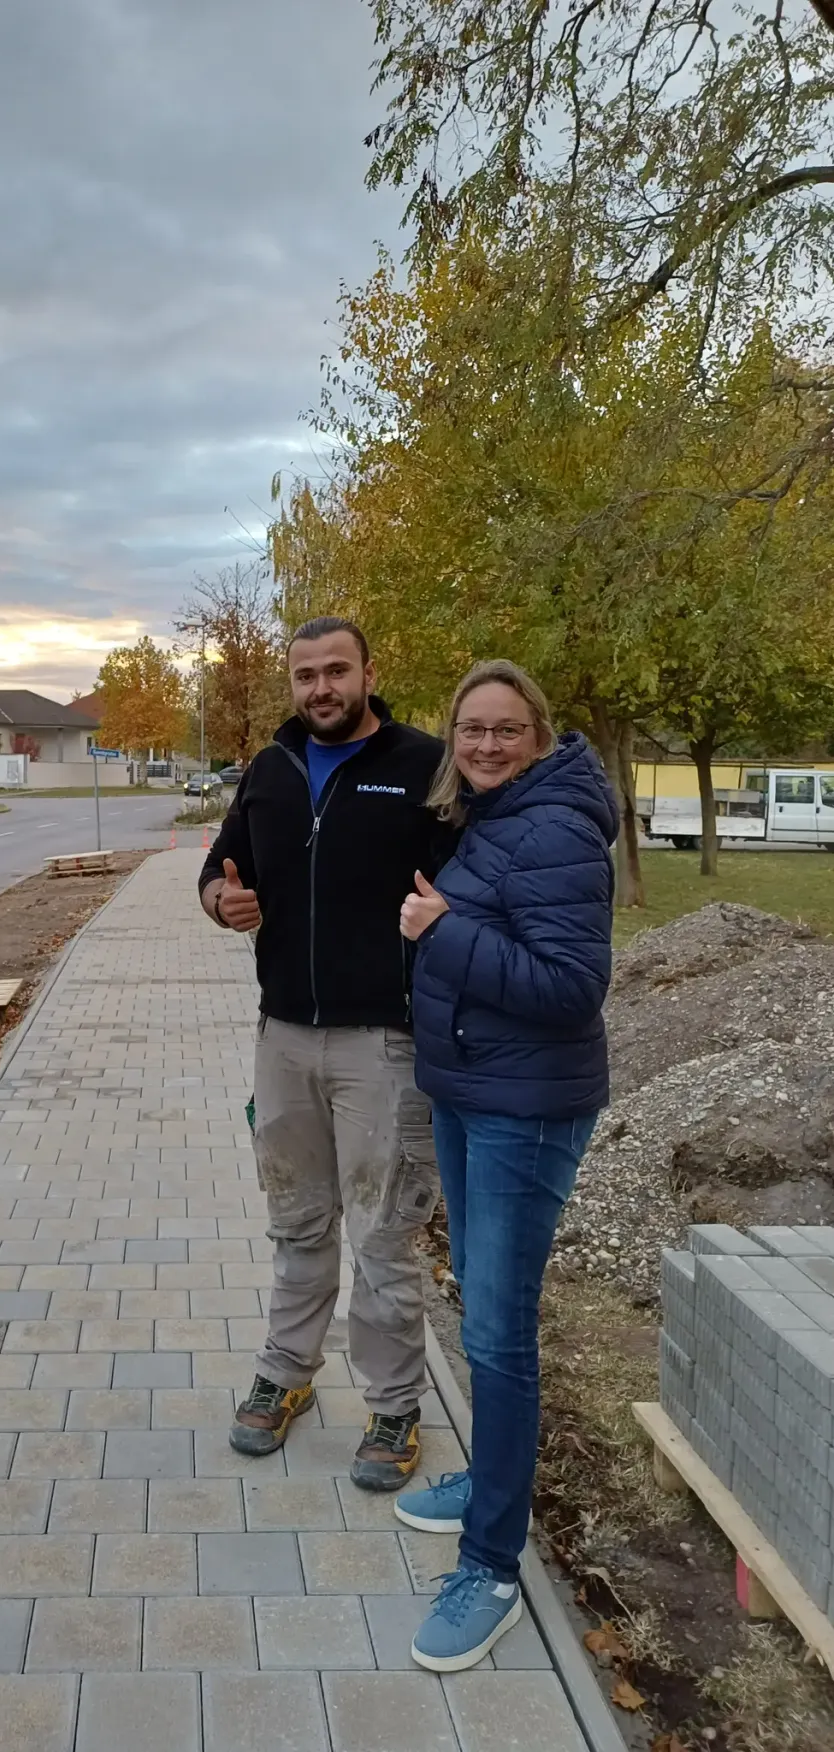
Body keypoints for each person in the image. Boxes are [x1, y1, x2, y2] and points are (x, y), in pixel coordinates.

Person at [394, 658, 617, 1671]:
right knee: (481, 1314)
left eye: (505, 730)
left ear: (539, 734)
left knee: (497, 1330)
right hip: (475, 1094)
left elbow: (571, 986)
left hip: (523, 1115)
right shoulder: (496, 817)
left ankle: (492, 1561)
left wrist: (442, 937)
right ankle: (492, 1478)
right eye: (470, 730)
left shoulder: (560, 831)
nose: (484, 746)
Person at [199, 616, 452, 1490]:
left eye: (336, 671)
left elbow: (464, 882)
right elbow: (223, 866)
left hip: (383, 1042)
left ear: (367, 673)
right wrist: (217, 902)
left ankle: (393, 1407)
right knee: (297, 1218)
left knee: (383, 1232)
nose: (321, 689)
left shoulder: (422, 765)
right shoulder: (268, 770)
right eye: (305, 675)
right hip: (283, 1037)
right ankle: (286, 1376)